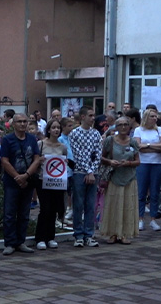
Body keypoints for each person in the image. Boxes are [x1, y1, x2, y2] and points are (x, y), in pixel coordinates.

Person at [0, 113, 40, 255]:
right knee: (10, 213)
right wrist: (18, 177)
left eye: (25, 121)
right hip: (12, 182)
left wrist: (26, 175)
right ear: (13, 124)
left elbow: (36, 159)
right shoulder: (7, 139)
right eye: (19, 122)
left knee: (24, 213)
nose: (23, 124)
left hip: (28, 180)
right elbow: (4, 161)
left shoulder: (32, 139)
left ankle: (20, 241)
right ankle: (10, 243)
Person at [100, 117, 140, 244]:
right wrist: (110, 162)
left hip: (129, 178)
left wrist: (128, 163)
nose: (123, 127)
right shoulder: (109, 140)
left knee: (128, 206)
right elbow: (101, 157)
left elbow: (138, 161)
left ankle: (124, 234)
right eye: (120, 125)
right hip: (114, 177)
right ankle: (112, 233)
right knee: (113, 205)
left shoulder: (133, 142)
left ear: (129, 127)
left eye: (126, 125)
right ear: (116, 127)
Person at [68, 106, 101, 247]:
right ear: (82, 117)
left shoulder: (96, 134)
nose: (93, 118)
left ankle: (89, 234)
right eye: (90, 115)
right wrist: (88, 171)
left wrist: (92, 171)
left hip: (93, 173)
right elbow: (77, 154)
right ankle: (78, 235)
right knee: (78, 204)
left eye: (94, 115)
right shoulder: (74, 133)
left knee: (90, 205)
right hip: (80, 172)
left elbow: (98, 154)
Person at [34, 120, 67, 250]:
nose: (56, 130)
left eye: (58, 128)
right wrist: (40, 160)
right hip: (42, 180)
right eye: (53, 127)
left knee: (54, 209)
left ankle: (50, 237)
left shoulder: (62, 147)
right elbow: (35, 161)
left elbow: (63, 162)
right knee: (45, 209)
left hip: (57, 182)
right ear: (48, 130)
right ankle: (40, 238)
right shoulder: (40, 144)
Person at [133, 108, 161, 232]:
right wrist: (152, 147)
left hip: (157, 162)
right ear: (146, 117)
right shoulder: (138, 130)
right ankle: (140, 218)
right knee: (141, 192)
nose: (155, 118)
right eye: (152, 116)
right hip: (143, 163)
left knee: (155, 191)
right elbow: (137, 146)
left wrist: (147, 146)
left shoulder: (160, 130)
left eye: (155, 116)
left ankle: (153, 219)